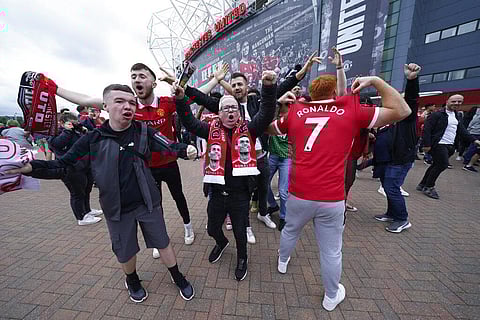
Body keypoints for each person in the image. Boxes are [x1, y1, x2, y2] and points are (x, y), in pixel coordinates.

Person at [6, 84, 197, 303]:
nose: (128, 106)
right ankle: (132, 279)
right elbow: (64, 165)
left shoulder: (143, 131)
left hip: (148, 202)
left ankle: (176, 275)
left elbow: (169, 145)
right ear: (105, 106)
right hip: (116, 208)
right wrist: (33, 168)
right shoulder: (92, 140)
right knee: (125, 251)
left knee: (162, 242)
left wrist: (185, 150)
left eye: (132, 102)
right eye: (120, 101)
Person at [268, 73, 411, 311]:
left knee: (291, 229)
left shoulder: (296, 112)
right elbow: (402, 110)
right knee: (331, 250)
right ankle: (331, 295)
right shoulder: (351, 111)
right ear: (334, 93)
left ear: (312, 94)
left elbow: (270, 129)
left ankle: (283, 261)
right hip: (331, 197)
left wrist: (282, 107)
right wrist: (376, 81)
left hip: (299, 192)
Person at [53, 63, 198, 249]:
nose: (137, 79)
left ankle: (188, 227)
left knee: (179, 196)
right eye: (133, 76)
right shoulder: (127, 104)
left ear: (153, 83)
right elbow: (88, 99)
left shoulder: (166, 103)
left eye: (142, 76)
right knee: (155, 203)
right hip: (146, 166)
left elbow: (195, 96)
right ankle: (159, 239)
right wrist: (55, 89)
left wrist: (215, 80)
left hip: (169, 163)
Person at [183, 52, 323, 236]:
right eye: (233, 85)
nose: (236, 88)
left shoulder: (257, 101)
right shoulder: (224, 106)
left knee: (264, 189)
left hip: (261, 158)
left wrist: (303, 71)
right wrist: (184, 85)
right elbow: (200, 98)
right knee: (244, 197)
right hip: (238, 162)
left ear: (247, 86)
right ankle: (247, 227)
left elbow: (281, 87)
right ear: (229, 88)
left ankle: (264, 214)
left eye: (240, 84)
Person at [174, 71, 277, 281]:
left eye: (233, 108)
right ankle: (221, 243)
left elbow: (266, 113)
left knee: (240, 232)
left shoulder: (249, 128)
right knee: (212, 228)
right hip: (217, 192)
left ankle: (242, 259)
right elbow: (189, 122)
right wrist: (180, 100)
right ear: (218, 113)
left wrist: (268, 87)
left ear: (238, 113)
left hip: (240, 194)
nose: (229, 111)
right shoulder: (210, 129)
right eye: (225, 108)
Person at [372, 63, 421, 233]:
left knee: (392, 188)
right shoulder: (389, 120)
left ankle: (402, 219)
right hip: (389, 160)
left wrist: (412, 80)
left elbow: (412, 101)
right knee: (387, 187)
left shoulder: (406, 116)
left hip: (400, 160)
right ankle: (391, 213)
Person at [418, 94, 480, 199]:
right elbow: (427, 130)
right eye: (454, 101)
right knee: (442, 165)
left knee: (436, 165)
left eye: (459, 102)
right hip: (438, 144)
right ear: (447, 101)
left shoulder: (456, 115)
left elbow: (462, 130)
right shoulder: (437, 115)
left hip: (450, 145)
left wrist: (474, 140)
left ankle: (423, 184)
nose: (457, 103)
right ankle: (429, 186)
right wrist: (426, 144)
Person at [48, 112, 102, 225]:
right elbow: (57, 145)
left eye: (75, 123)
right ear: (62, 123)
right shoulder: (55, 134)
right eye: (71, 123)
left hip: (84, 166)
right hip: (69, 168)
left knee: (86, 190)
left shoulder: (76, 131)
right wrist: (67, 131)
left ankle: (87, 211)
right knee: (77, 193)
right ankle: (81, 217)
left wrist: (82, 129)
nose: (74, 125)